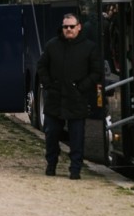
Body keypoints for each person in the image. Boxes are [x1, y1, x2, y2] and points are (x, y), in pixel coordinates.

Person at [37, 12, 101, 180]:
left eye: (72, 26)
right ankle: (51, 165)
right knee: (51, 135)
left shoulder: (89, 47)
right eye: (65, 27)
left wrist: (82, 87)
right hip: (55, 99)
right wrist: (49, 84)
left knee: (77, 138)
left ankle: (75, 170)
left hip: (76, 99)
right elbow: (41, 66)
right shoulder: (52, 45)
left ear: (79, 27)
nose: (68, 30)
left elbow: (96, 72)